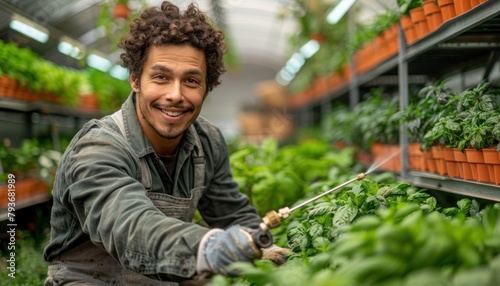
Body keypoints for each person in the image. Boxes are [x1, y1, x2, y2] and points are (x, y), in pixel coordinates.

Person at [43, 1, 288, 285]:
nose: (175, 94)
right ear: (135, 80)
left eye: (191, 81)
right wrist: (208, 247)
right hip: (92, 279)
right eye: (161, 77)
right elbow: (128, 226)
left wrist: (264, 246)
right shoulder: (98, 148)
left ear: (206, 88)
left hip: (168, 274)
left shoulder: (207, 141)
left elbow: (230, 212)